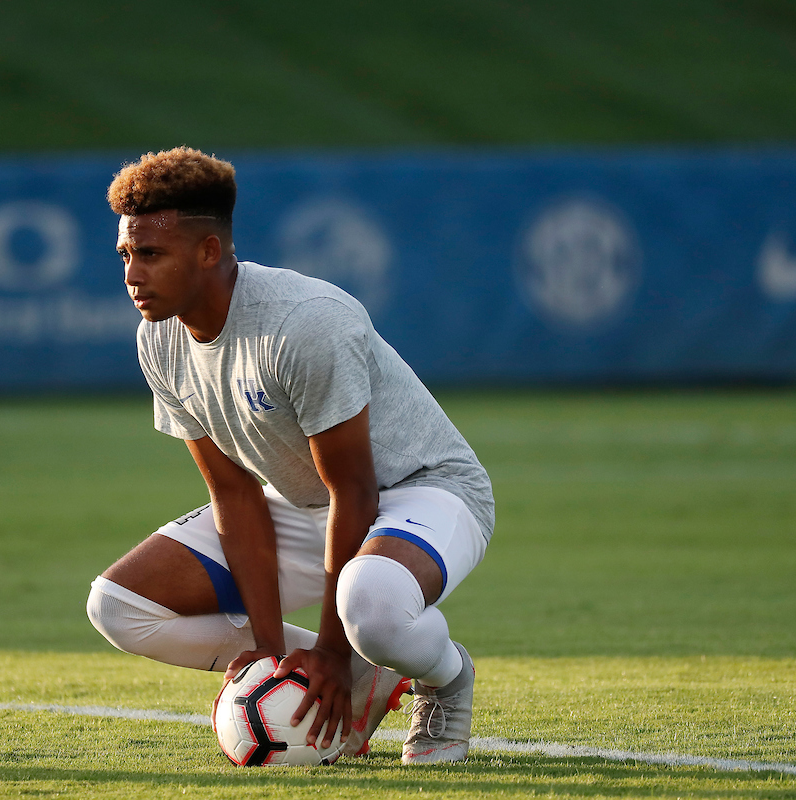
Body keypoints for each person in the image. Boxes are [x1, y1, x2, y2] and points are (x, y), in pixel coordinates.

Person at [86, 147, 494, 764]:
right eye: (126, 254)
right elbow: (234, 494)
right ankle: (372, 676)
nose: (131, 275)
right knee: (118, 606)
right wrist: (272, 653)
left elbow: (356, 489)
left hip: (424, 490)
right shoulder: (159, 339)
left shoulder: (304, 323)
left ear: (208, 252)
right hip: (307, 501)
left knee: (374, 609)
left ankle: (443, 675)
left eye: (150, 254)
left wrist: (332, 649)